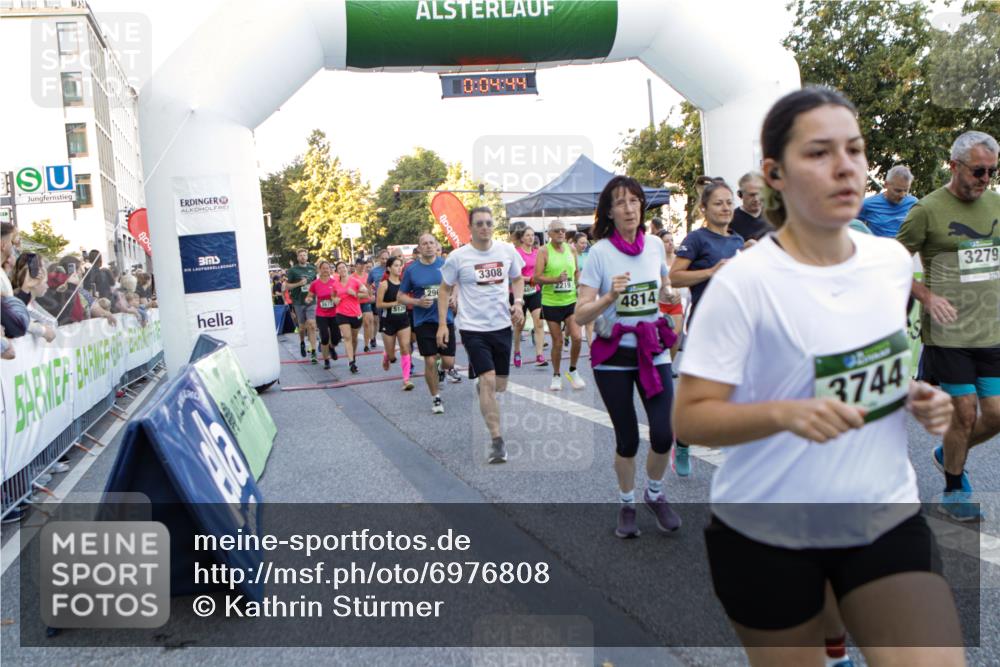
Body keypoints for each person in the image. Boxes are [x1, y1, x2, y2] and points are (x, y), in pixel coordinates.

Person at [674, 86, 963, 666]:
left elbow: (864, 368)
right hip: (767, 532)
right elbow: (690, 416)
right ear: (775, 174)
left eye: (855, 150)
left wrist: (915, 396)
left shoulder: (887, 262)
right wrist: (786, 413)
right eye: (819, 153)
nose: (845, 167)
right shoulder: (744, 282)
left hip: (883, 514)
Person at [897, 130, 1000, 522]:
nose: (985, 179)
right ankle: (954, 489)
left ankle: (947, 455)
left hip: (992, 328)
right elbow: (891, 262)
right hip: (949, 333)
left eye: (991, 171)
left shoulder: (996, 203)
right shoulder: (926, 209)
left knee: (996, 414)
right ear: (954, 165)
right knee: (966, 412)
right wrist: (927, 297)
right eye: (978, 171)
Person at [574, 176, 681, 538]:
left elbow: (663, 283)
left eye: (634, 201)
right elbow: (580, 313)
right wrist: (608, 298)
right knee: (628, 439)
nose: (629, 208)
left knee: (664, 433)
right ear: (609, 211)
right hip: (613, 355)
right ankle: (627, 502)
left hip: (652, 351)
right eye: (620, 202)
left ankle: (654, 492)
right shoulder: (600, 253)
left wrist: (668, 294)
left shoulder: (654, 246)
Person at [438, 207, 525, 463]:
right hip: (472, 328)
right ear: (470, 227)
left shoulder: (506, 251)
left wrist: (518, 303)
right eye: (479, 223)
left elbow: (518, 279)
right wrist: (443, 324)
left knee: (500, 385)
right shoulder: (458, 257)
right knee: (488, 380)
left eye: (488, 223)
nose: (485, 227)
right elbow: (444, 291)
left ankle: (482, 386)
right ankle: (497, 441)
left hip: (501, 326)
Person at [398, 233, 461, 415]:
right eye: (424, 243)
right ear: (419, 248)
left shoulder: (445, 264)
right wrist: (417, 302)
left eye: (431, 243)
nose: (428, 246)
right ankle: (436, 397)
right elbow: (400, 296)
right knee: (430, 359)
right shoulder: (411, 270)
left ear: (436, 245)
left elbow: (456, 284)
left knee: (448, 362)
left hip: (446, 319)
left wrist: (453, 297)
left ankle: (444, 370)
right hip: (423, 321)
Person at [670, 181, 744, 319]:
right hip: (705, 320)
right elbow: (673, 278)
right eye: (718, 203)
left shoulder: (738, 240)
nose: (726, 208)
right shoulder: (696, 238)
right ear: (704, 208)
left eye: (729, 203)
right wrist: (711, 272)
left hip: (735, 320)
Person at [534, 219, 585, 390]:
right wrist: (555, 279)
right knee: (558, 342)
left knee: (577, 337)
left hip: (570, 301)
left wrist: (578, 284)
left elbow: (576, 272)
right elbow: (537, 277)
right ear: (549, 234)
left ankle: (573, 370)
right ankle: (556, 375)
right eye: (556, 231)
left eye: (563, 230)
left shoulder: (571, 249)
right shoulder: (543, 251)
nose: (561, 233)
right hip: (551, 303)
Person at [376, 255, 415, 390]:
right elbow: (379, 304)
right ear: (389, 268)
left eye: (400, 265)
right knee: (392, 355)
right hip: (388, 321)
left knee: (406, 347)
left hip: (403, 320)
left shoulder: (405, 283)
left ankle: (406, 379)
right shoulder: (384, 284)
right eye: (396, 265)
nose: (399, 268)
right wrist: (395, 303)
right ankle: (387, 355)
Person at [511, 226, 545, 368]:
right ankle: (517, 351)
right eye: (528, 235)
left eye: (532, 235)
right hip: (519, 293)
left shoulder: (538, 253)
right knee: (520, 324)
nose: (531, 238)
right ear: (522, 238)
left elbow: (541, 271)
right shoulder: (516, 253)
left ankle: (539, 355)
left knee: (539, 322)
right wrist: (530, 279)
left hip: (534, 291)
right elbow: (515, 276)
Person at [859, 165, 918, 238]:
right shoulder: (867, 204)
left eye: (906, 190)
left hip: (904, 248)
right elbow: (850, 226)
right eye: (898, 190)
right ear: (886, 184)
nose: (902, 195)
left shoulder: (914, 203)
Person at [285, 249, 318, 363]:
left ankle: (314, 352)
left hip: (311, 301)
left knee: (312, 325)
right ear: (298, 258)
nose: (303, 257)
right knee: (302, 327)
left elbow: (316, 283)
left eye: (305, 255)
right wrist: (299, 284)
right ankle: (302, 342)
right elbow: (287, 286)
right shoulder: (293, 271)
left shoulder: (313, 269)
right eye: (301, 255)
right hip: (298, 301)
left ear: (307, 256)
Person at [333, 261, 366, 374]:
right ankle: (351, 362)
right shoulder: (335, 284)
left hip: (355, 313)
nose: (342, 270)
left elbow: (366, 293)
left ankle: (353, 355)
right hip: (341, 313)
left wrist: (355, 293)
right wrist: (334, 300)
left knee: (354, 338)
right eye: (339, 268)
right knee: (347, 337)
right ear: (337, 271)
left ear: (347, 268)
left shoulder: (355, 281)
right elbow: (333, 296)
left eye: (343, 267)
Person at [308, 260, 341, 370]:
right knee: (325, 337)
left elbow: (340, 294)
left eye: (328, 268)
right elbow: (310, 295)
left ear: (330, 270)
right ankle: (326, 360)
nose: (326, 270)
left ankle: (332, 347)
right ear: (319, 270)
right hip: (321, 314)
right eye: (323, 268)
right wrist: (308, 298)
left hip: (334, 313)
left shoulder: (335, 282)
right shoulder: (315, 283)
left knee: (336, 338)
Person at [730, 171, 774, 241]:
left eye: (760, 194)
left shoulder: (774, 216)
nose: (756, 199)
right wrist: (742, 248)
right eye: (751, 195)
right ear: (740, 195)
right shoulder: (730, 219)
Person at [572, 231, 595, 346]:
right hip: (573, 291)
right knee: (574, 321)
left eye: (585, 243)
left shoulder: (588, 256)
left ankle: (591, 349)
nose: (584, 245)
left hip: (586, 291)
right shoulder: (571, 256)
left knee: (589, 320)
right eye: (581, 243)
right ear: (574, 243)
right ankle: (566, 335)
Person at [355, 258, 377, 352]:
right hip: (355, 304)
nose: (363, 266)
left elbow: (373, 288)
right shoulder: (352, 277)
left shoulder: (368, 276)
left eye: (364, 264)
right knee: (356, 327)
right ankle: (353, 341)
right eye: (361, 264)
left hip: (366, 302)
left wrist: (372, 295)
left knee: (367, 323)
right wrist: (364, 294)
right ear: (356, 265)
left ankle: (366, 345)